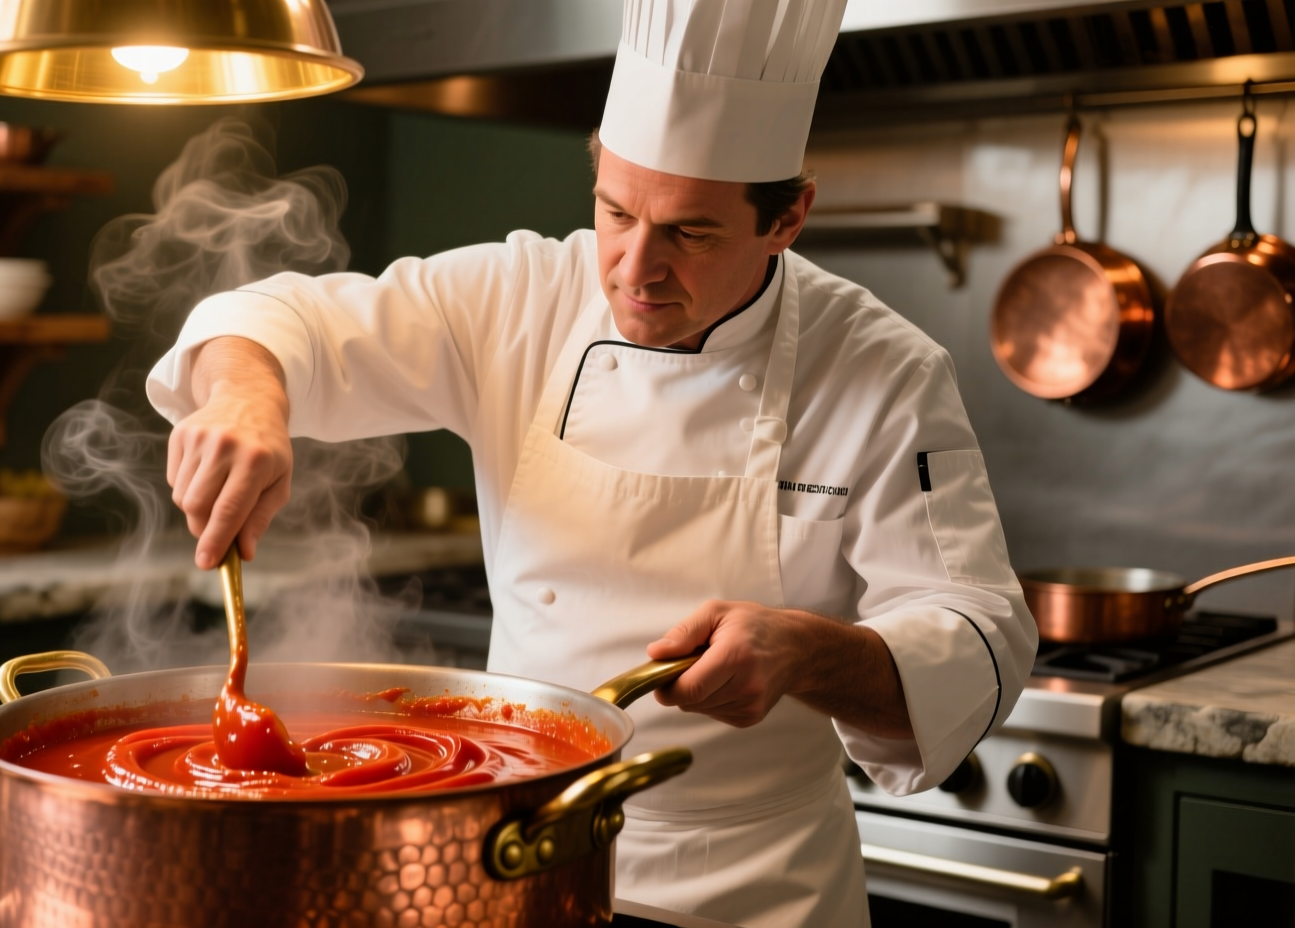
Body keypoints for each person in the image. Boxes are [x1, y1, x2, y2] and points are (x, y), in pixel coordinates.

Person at [147, 0, 1038, 923]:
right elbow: (275, 319)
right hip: (519, 854)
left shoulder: (882, 370)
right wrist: (247, 398)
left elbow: (980, 631)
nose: (633, 270)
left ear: (788, 219)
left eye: (690, 233)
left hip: (759, 886)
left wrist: (810, 654)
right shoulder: (521, 296)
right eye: (616, 211)